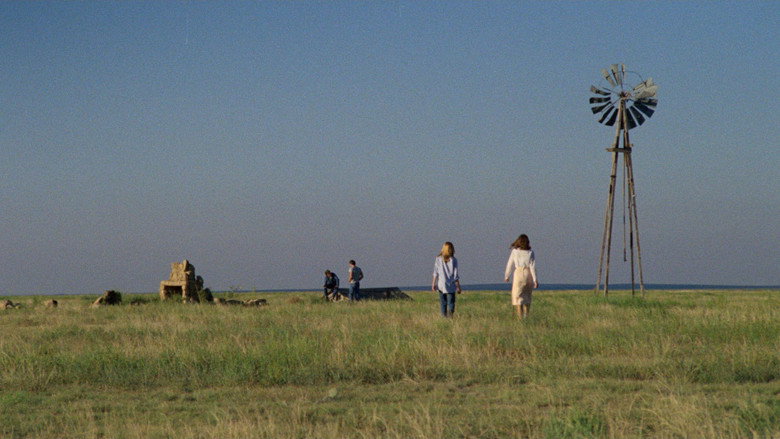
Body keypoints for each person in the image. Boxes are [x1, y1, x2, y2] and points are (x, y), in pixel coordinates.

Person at [504, 234, 539, 319]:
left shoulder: (515, 252)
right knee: (527, 297)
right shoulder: (530, 252)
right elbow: (532, 266)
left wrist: (507, 275)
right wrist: (535, 280)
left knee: (518, 298)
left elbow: (510, 264)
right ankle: (526, 317)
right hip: (528, 274)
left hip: (518, 274)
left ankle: (520, 318)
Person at [432, 242, 461, 317]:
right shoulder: (454, 260)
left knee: (443, 303)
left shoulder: (438, 259)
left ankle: (444, 317)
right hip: (451, 284)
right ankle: (450, 317)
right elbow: (455, 275)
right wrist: (458, 287)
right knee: (451, 303)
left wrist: (433, 284)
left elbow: (435, 272)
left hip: (441, 284)